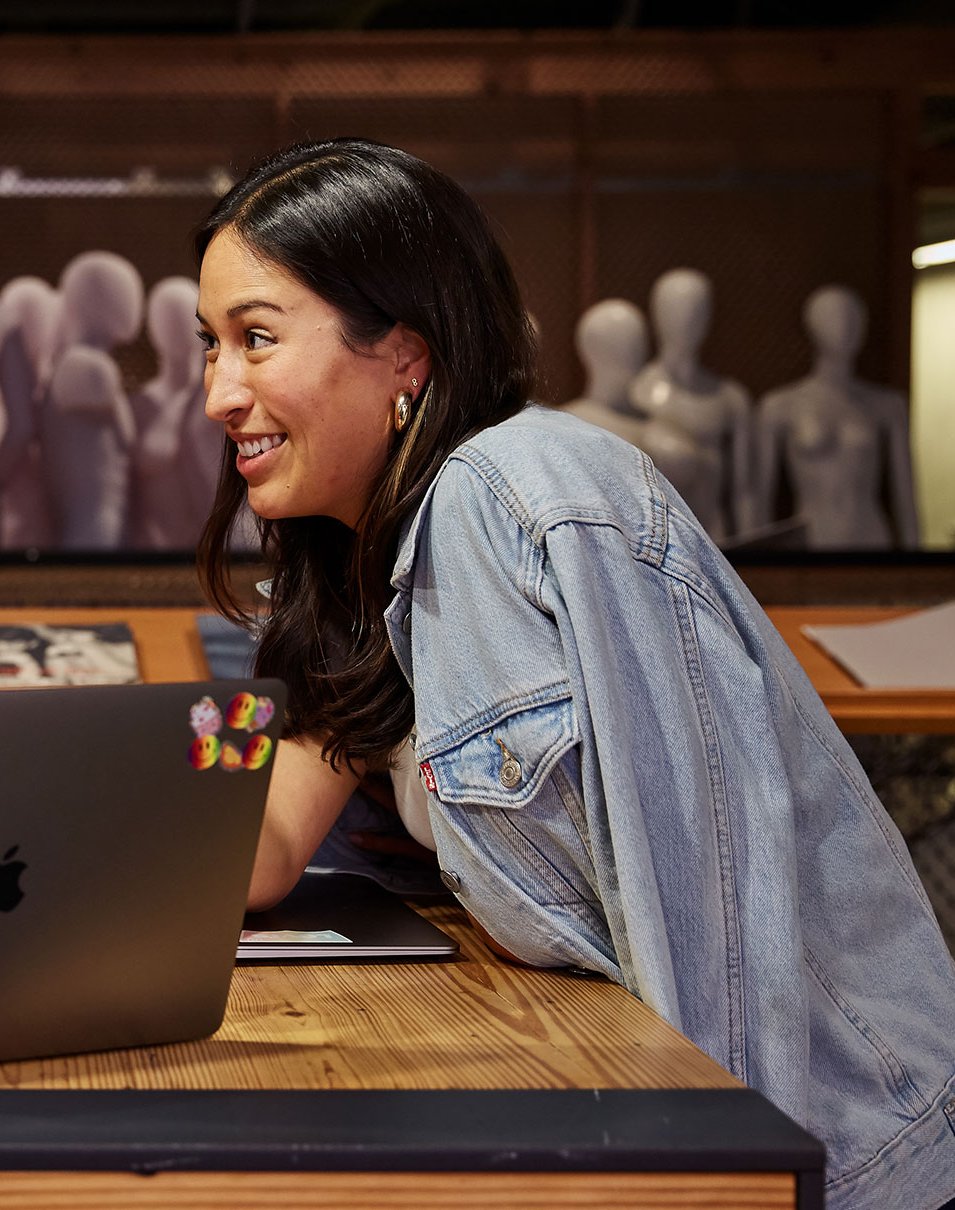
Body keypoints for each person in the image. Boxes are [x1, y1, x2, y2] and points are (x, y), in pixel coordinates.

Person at [193, 139, 955, 1210]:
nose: (219, 391)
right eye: (207, 346)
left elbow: (709, 913)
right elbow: (264, 841)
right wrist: (68, 830)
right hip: (624, 1092)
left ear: (403, 355)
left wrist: (726, 1181)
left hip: (831, 1156)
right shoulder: (350, 566)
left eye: (254, 339)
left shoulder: (514, 491)